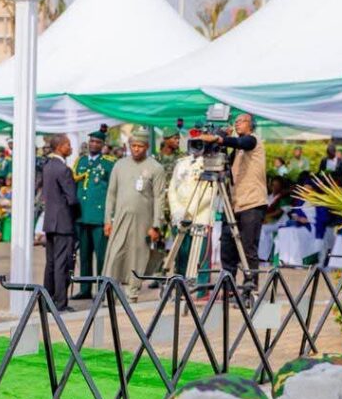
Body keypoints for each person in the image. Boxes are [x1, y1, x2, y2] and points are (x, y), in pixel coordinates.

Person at [199, 112, 267, 291]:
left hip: (252, 203)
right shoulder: (236, 149)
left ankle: (250, 287)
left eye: (241, 121)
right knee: (227, 245)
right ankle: (228, 286)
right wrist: (218, 138)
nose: (237, 124)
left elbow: (242, 142)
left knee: (247, 247)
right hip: (233, 204)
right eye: (235, 122)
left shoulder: (253, 141)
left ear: (251, 125)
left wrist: (219, 138)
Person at [102, 128, 166, 302]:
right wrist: (107, 220)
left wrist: (156, 225)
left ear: (146, 147)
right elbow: (111, 194)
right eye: (133, 145)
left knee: (137, 256)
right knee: (115, 254)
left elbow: (159, 198)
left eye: (140, 146)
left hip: (143, 221)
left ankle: (132, 294)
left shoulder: (156, 168)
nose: (136, 149)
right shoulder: (119, 165)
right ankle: (110, 293)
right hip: (120, 219)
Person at [71, 130, 114, 299]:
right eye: (92, 141)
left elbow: (113, 191)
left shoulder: (109, 164)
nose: (94, 144)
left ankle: (102, 288)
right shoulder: (80, 161)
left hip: (99, 217)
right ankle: (84, 289)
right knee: (84, 255)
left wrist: (110, 217)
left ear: (103, 145)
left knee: (102, 254)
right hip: (82, 216)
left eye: (98, 142)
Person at [40, 134, 79, 311]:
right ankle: (61, 302)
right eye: (68, 145)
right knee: (62, 263)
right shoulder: (64, 170)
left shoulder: (48, 166)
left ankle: (47, 300)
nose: (70, 148)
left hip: (50, 221)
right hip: (63, 222)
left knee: (51, 263)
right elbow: (72, 198)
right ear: (60, 147)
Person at [166, 153, 212, 286]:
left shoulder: (209, 163)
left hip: (200, 215)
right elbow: (172, 189)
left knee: (200, 255)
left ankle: (200, 289)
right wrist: (176, 210)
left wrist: (189, 212)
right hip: (179, 216)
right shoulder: (181, 163)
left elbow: (209, 192)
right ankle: (181, 285)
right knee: (182, 253)